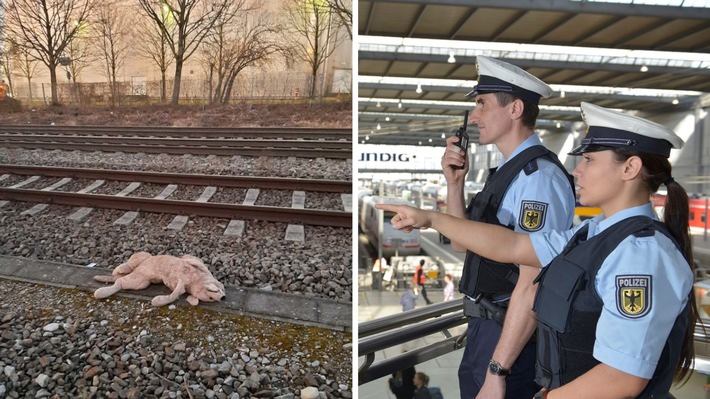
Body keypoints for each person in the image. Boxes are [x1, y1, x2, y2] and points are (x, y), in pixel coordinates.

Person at [377, 101, 698, 399]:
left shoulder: (641, 254)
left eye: (588, 160)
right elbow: (512, 245)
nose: (577, 171)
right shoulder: (592, 233)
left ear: (630, 168)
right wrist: (431, 218)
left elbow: (623, 377)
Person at [441, 56, 575, 399]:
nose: (474, 116)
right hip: (486, 328)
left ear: (515, 109)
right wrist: (454, 185)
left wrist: (498, 369)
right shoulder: (508, 173)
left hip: (510, 338)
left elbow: (531, 283)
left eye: (482, 104)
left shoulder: (538, 180)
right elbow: (461, 244)